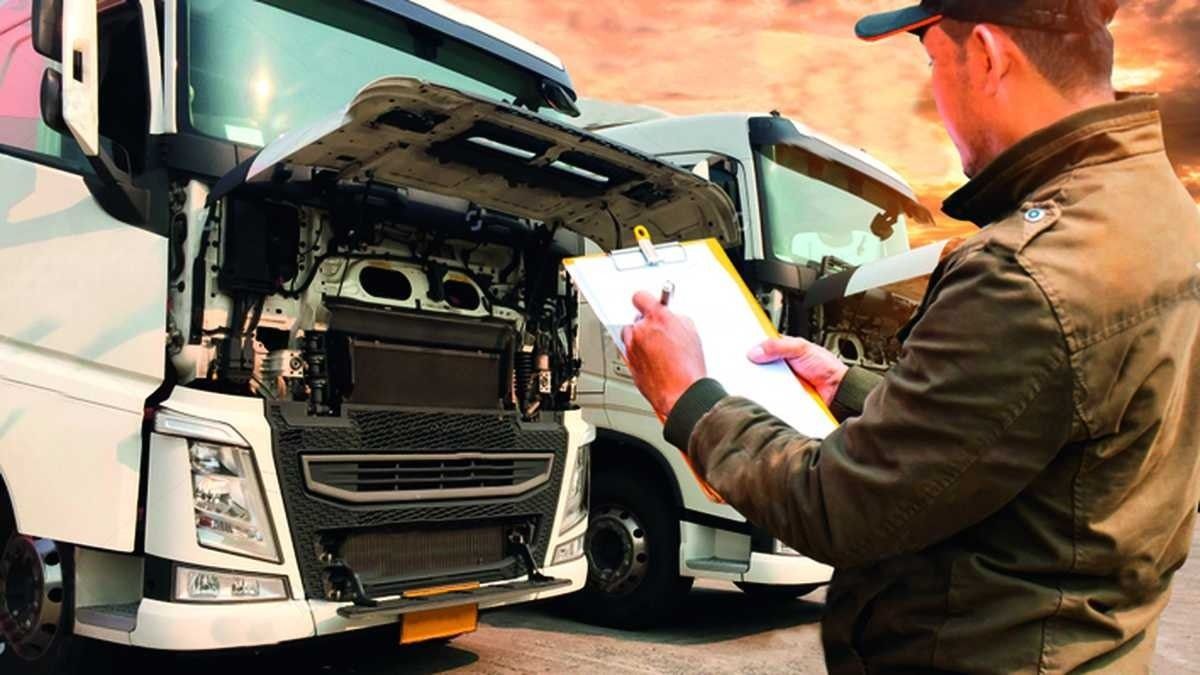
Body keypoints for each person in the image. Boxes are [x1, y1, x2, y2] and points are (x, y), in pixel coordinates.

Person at [619, 1, 1200, 672]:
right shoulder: (1163, 216)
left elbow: (838, 504)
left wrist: (687, 397)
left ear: (986, 54)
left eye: (934, 61)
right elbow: (1037, 421)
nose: (935, 89)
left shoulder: (1027, 274)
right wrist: (849, 387)